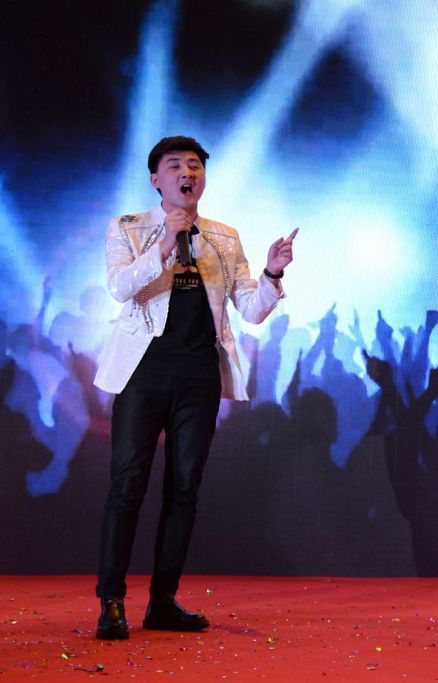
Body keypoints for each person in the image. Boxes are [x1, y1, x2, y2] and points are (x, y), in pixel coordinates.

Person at [92, 136, 298, 639]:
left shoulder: (224, 237)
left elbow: (249, 310)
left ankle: (163, 601)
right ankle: (112, 601)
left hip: (199, 374)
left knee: (184, 488)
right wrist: (166, 242)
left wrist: (272, 272)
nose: (187, 173)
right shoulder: (127, 228)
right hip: (143, 371)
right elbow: (120, 287)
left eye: (195, 166)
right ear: (155, 179)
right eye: (175, 165)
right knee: (128, 485)